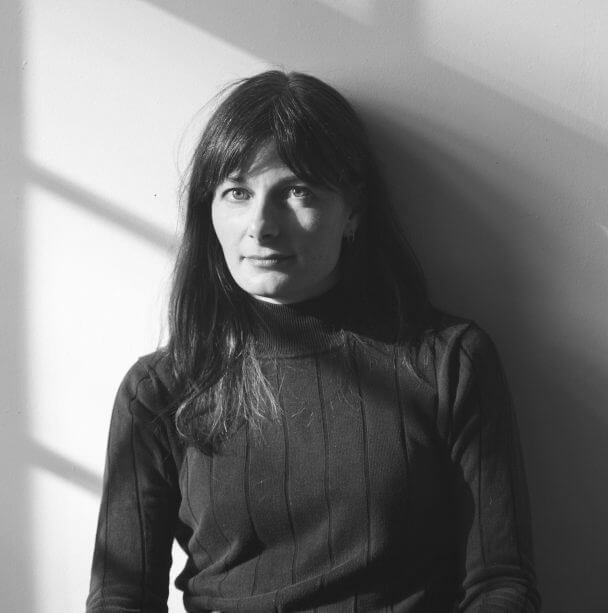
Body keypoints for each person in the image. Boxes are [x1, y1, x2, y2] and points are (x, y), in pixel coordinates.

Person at [86, 70, 540, 613]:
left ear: (353, 212)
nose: (261, 226)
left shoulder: (450, 362)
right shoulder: (157, 391)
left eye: (296, 191)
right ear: (209, 213)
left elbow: (501, 583)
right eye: (237, 192)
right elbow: (121, 596)